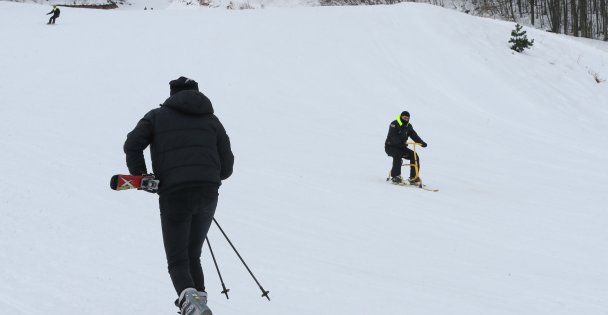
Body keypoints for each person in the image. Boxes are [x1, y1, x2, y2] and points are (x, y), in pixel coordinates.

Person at [124, 76, 234, 315]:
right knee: (193, 254)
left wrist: (142, 177)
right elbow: (227, 168)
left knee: (177, 258)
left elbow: (132, 144)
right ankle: (199, 304)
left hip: (175, 194)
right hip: (208, 192)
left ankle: (192, 304)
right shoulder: (212, 120)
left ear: (172, 94)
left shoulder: (156, 116)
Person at [384, 111, 427, 184]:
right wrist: (400, 143)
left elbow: (414, 135)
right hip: (390, 147)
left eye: (407, 118)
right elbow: (393, 136)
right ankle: (395, 176)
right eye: (404, 118)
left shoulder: (408, 126)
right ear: (401, 117)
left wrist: (421, 143)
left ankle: (413, 177)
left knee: (414, 155)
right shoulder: (394, 124)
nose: (406, 119)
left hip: (402, 147)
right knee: (397, 155)